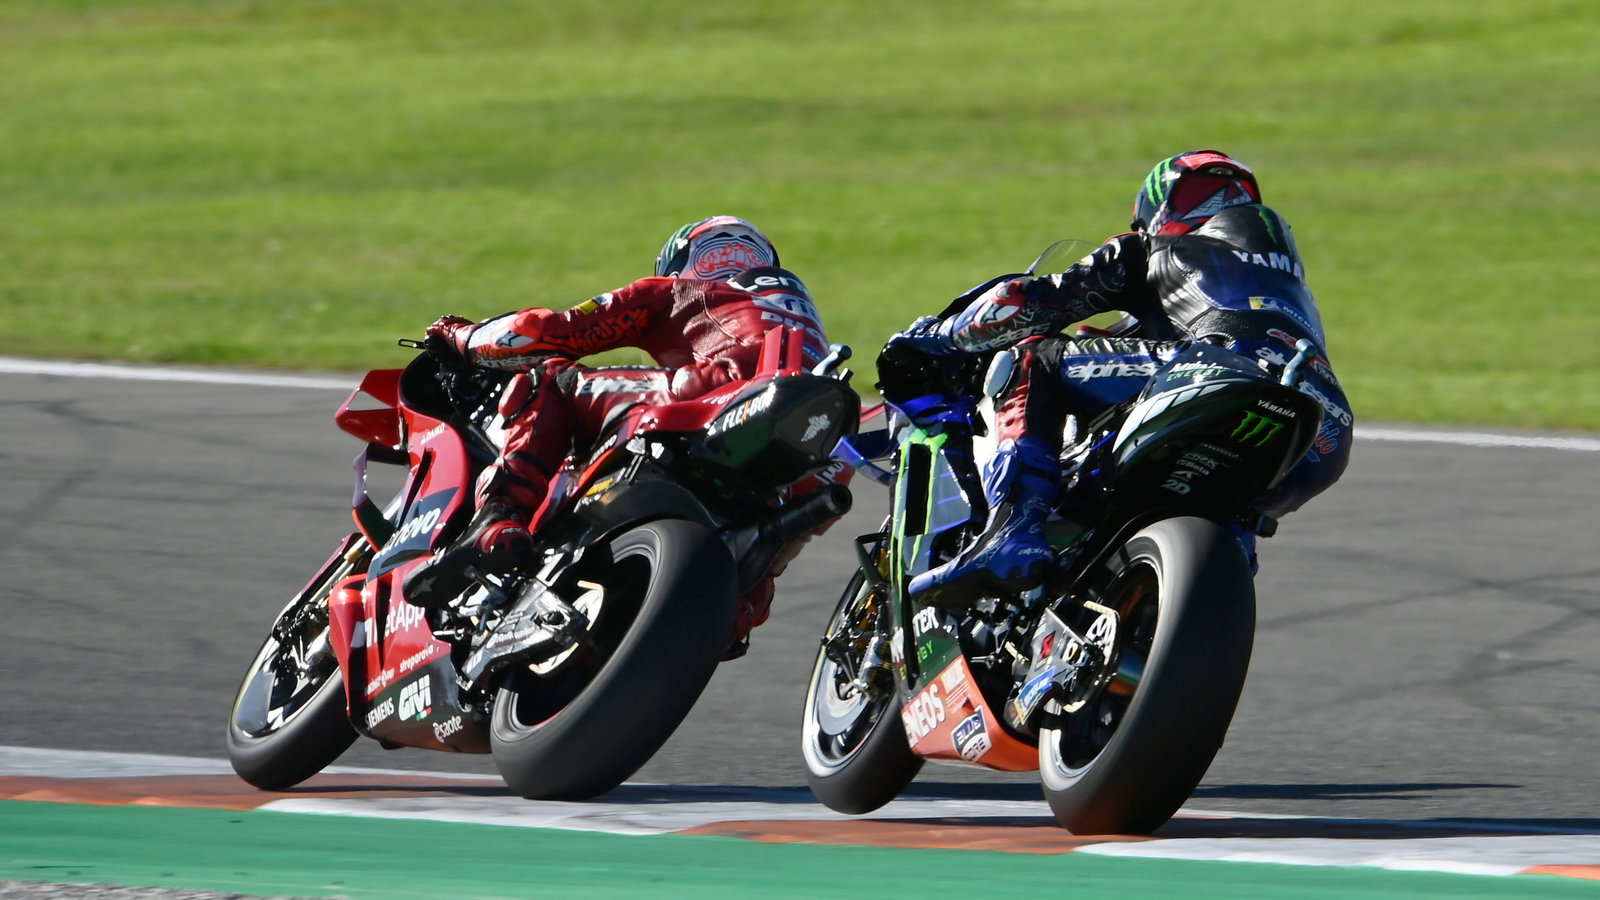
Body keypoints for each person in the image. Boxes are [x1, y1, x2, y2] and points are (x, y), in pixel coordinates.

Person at [881, 150, 1353, 606]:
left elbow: (1025, 304)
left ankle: (1014, 529)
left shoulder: (1155, 247)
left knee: (1035, 358)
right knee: (1229, 512)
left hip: (1214, 373)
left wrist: (933, 338)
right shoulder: (1290, 292)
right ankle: (1181, 609)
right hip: (1325, 431)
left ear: (1159, 209)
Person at [403, 216, 836, 645]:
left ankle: (499, 521)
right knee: (787, 516)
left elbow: (546, 333)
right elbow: (818, 499)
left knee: (551, 380)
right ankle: (737, 607)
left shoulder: (683, 291)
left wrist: (462, 337)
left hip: (710, 395)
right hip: (793, 444)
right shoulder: (808, 343)